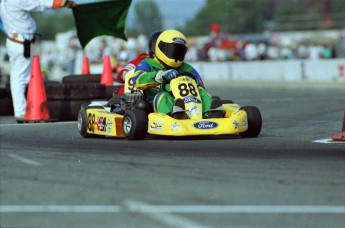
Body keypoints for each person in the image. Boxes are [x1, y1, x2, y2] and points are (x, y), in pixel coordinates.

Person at [0, 0, 77, 121]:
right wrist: (62, 2)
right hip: (21, 43)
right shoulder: (15, 1)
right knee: (21, 79)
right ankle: (21, 111)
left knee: (17, 77)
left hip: (15, 41)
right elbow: (39, 4)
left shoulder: (4, 3)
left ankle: (23, 109)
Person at [133, 29, 225, 119]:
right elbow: (137, 80)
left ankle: (210, 114)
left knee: (202, 92)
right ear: (160, 47)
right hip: (156, 102)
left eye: (179, 51)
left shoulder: (187, 68)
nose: (175, 54)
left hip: (185, 102)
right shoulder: (147, 63)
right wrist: (160, 76)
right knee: (162, 96)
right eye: (171, 50)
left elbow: (200, 84)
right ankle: (172, 115)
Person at [115, 30, 163, 96]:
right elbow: (125, 72)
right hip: (132, 98)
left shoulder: (175, 66)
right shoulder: (144, 59)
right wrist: (125, 74)